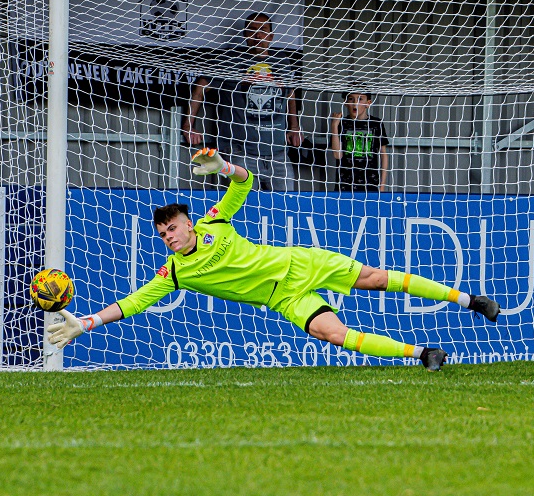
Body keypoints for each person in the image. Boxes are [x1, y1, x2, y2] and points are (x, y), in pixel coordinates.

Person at [48, 147, 502, 371]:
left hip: (300, 263)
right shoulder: (174, 274)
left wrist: (225, 168)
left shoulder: (212, 221)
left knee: (379, 279)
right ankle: (423, 354)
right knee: (333, 334)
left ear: (188, 223)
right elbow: (132, 303)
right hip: (283, 297)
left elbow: (244, 183)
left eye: (172, 228)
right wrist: (84, 323)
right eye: (162, 233)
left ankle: (470, 301)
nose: (168, 236)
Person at [182, 11, 303, 191]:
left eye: (263, 30)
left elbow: (290, 94)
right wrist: (189, 124)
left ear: (271, 35)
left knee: (286, 206)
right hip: (241, 152)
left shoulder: (282, 62)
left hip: (278, 152)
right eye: (252, 30)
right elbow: (201, 86)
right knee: (243, 207)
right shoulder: (231, 60)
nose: (258, 35)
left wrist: (294, 126)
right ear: (245, 35)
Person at [330, 91, 389, 192]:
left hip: (370, 184)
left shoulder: (376, 124)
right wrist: (334, 126)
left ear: (368, 103)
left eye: (360, 99)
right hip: (345, 184)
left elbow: (383, 155)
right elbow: (337, 155)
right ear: (345, 102)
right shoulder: (341, 123)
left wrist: (382, 186)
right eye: (351, 99)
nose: (355, 103)